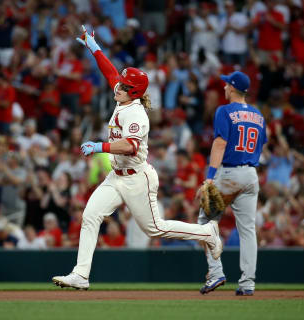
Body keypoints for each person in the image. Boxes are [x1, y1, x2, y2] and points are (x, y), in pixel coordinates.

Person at [52, 27, 222, 290]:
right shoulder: (124, 96)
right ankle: (81, 275)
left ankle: (207, 232)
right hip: (116, 176)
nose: (118, 87)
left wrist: (100, 146)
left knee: (155, 229)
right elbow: (110, 71)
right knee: (90, 215)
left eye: (124, 86)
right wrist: (93, 47)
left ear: (134, 92)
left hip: (137, 178)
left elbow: (130, 147)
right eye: (121, 83)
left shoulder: (136, 114)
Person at [197, 71, 267, 296]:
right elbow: (259, 145)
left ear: (233, 87)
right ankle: (247, 283)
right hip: (250, 174)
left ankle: (216, 272)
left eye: (227, 84)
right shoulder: (258, 115)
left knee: (205, 221)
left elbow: (219, 144)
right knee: (248, 231)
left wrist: (210, 177)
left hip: (228, 172)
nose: (224, 87)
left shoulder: (224, 111)